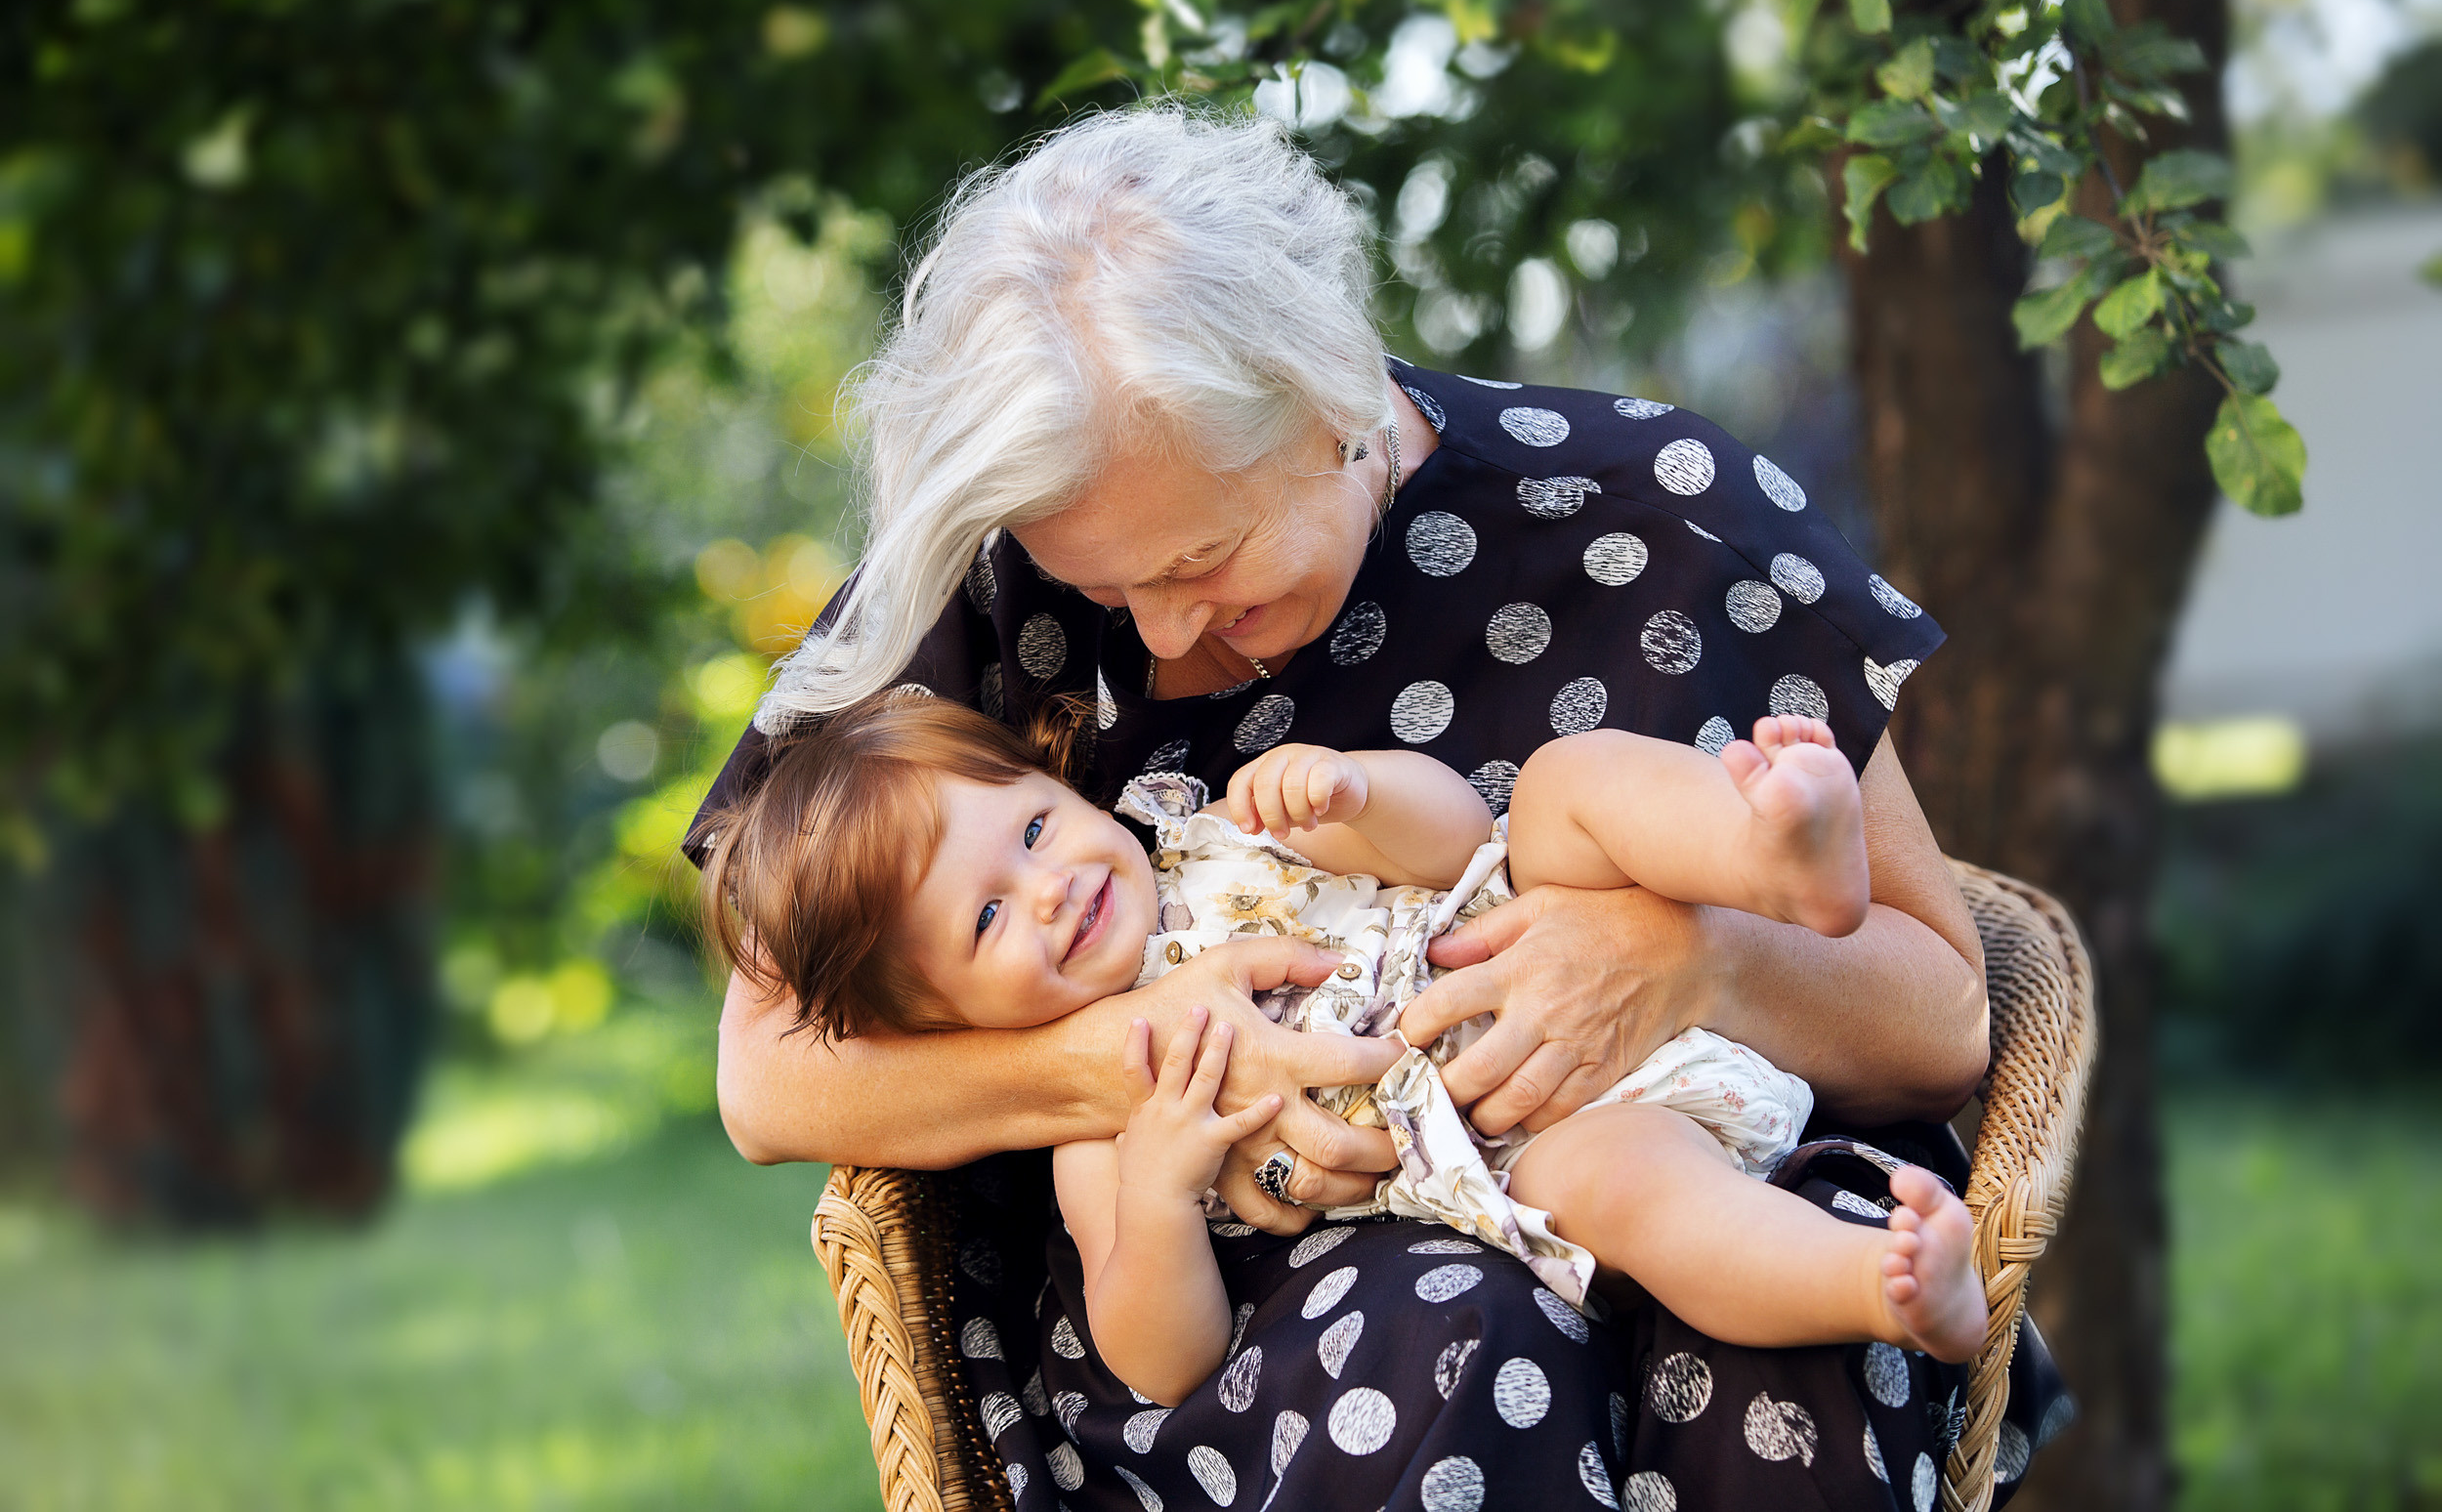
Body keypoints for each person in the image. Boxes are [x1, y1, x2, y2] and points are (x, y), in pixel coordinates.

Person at [690, 105, 2067, 1508]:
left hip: (1667, 1141)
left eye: (1203, 558)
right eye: (1108, 595)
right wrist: (1137, 1070)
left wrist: (1696, 960)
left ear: (1328, 391)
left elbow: (1945, 1018)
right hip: (1280, 1309)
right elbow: (769, 1076)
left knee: (1793, 1361)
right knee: (1451, 1343)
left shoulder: (1659, 515)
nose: (1159, 640)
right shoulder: (997, 545)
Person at [698, 692, 1992, 1414]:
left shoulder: (1213, 839)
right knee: (1638, 1200)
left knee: (1553, 791)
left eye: (1033, 833)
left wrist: (1358, 796)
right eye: (986, 920)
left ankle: (1770, 855)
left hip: (1553, 945)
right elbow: (1158, 1356)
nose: (1045, 891)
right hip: (1527, 1139)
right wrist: (1154, 1196)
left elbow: (1448, 844)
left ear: (1063, 788)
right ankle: (1879, 1284)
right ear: (950, 1023)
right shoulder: (1104, 1120)